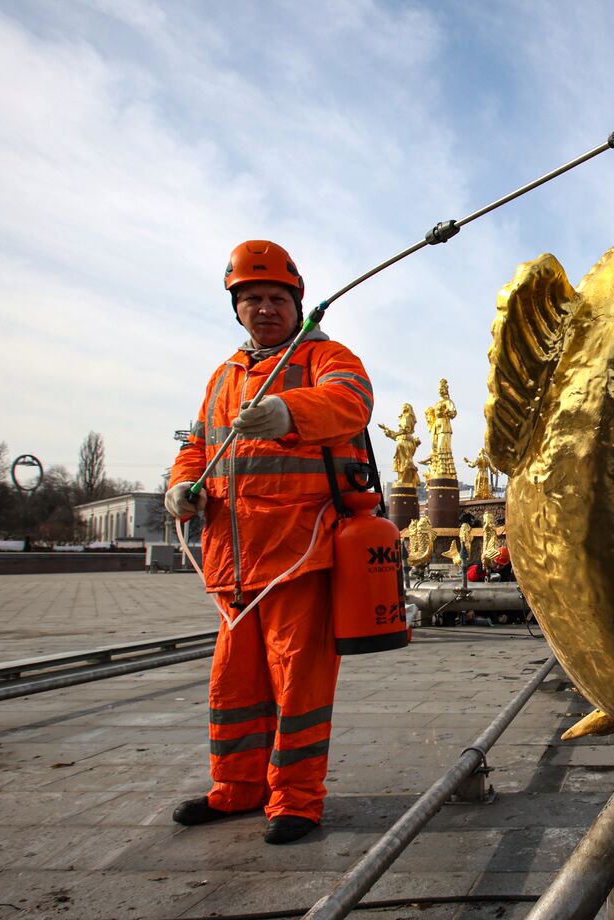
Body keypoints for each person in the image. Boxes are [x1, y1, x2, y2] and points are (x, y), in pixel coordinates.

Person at [164, 240, 374, 845]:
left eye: (276, 298)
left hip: (299, 556)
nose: (264, 308)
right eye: (251, 297)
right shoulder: (223, 377)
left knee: (298, 688)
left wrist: (288, 412)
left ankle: (296, 801)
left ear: (297, 303)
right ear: (235, 307)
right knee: (234, 687)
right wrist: (181, 489)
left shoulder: (325, 356)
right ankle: (235, 789)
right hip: (231, 567)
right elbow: (197, 449)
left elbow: (351, 403)